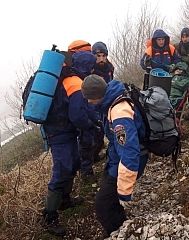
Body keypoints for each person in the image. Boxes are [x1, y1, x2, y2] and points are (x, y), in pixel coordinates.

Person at [81, 75, 148, 237]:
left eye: (90, 98)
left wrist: (124, 191)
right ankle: (120, 222)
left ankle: (117, 232)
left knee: (102, 204)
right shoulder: (111, 100)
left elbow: (130, 153)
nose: (89, 102)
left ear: (98, 95)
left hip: (128, 160)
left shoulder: (119, 113)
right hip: (115, 158)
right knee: (107, 196)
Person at [41, 45, 98, 236]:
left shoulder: (68, 78)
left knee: (73, 163)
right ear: (86, 67)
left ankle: (64, 200)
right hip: (59, 132)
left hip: (62, 130)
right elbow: (77, 116)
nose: (92, 71)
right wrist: (92, 125)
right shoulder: (74, 82)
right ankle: (49, 216)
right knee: (62, 169)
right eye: (90, 68)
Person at [67, 40, 103, 181]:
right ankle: (86, 173)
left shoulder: (75, 75)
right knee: (84, 143)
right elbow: (78, 113)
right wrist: (90, 123)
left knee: (86, 143)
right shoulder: (77, 82)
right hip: (77, 123)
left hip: (79, 119)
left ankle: (87, 168)